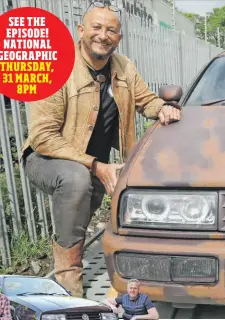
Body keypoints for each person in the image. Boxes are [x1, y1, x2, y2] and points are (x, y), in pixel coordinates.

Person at [19, 2, 182, 297]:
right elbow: (43, 137)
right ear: (81, 31)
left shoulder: (123, 67)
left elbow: (146, 100)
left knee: (101, 197)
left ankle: (138, 266)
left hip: (91, 164)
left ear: (118, 38)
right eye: (96, 27)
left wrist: (164, 109)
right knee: (77, 181)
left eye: (110, 30)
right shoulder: (58, 68)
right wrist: (96, 166)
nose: (102, 35)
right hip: (46, 158)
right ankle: (69, 282)